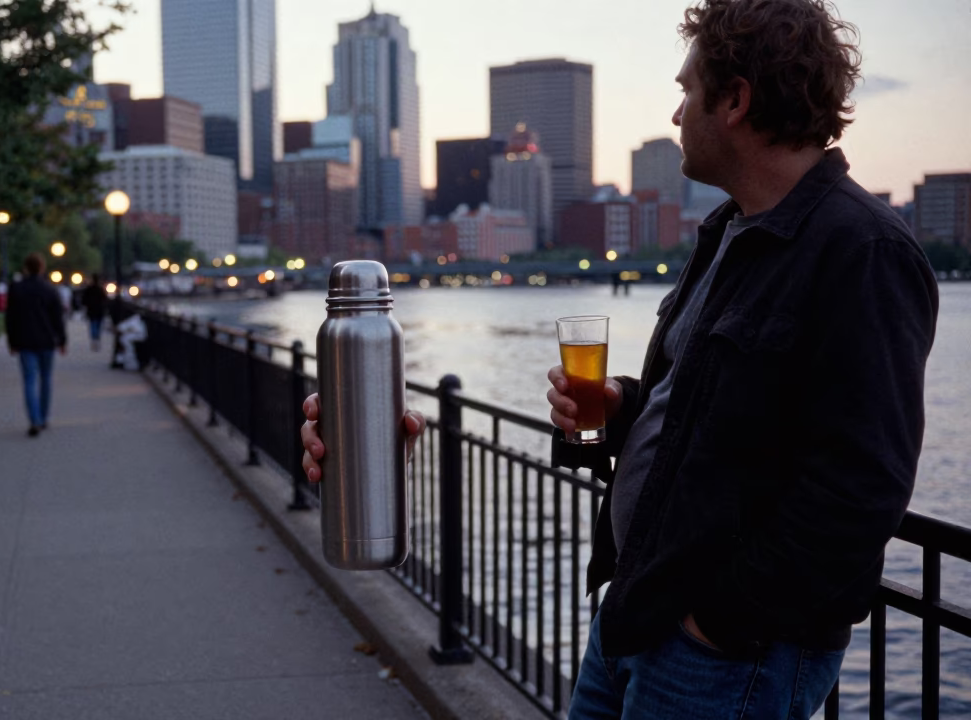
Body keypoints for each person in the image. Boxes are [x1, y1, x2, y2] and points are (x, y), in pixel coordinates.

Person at [302, 1, 940, 717]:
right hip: (637, 609)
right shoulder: (731, 233)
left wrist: (717, 621)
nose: (674, 115)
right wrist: (619, 411)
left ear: (735, 101)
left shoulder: (863, 251)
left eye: (685, 91)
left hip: (724, 652)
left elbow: (861, 487)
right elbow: (714, 412)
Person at [6, 253, 67, 437]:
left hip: (25, 341)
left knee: (29, 381)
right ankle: (43, 416)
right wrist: (62, 340)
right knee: (46, 379)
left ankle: (34, 419)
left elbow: (11, 318)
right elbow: (58, 318)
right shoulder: (50, 289)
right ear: (42, 268)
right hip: (47, 341)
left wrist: (12, 341)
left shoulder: (17, 289)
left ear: (25, 268)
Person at [80, 274, 108, 352]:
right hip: (99, 311)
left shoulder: (89, 289)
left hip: (92, 310)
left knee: (93, 325)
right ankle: (97, 339)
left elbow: (83, 300)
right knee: (98, 326)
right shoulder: (100, 289)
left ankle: (94, 339)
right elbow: (105, 299)